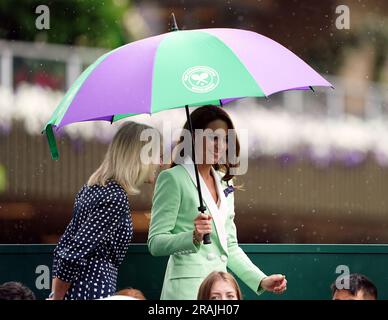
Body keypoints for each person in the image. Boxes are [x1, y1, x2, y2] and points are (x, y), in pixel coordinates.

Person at [148, 105, 287, 299]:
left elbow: (229, 246)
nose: (220, 146)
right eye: (213, 138)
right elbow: (155, 243)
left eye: (225, 140)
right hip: (187, 291)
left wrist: (261, 280)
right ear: (193, 138)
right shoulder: (172, 178)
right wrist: (193, 236)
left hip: (220, 291)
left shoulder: (225, 181)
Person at [50, 122, 161, 300]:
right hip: (90, 292)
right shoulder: (115, 198)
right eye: (157, 156)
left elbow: (63, 248)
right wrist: (57, 298)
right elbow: (71, 254)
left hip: (79, 291)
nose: (160, 163)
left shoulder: (91, 188)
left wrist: (56, 294)